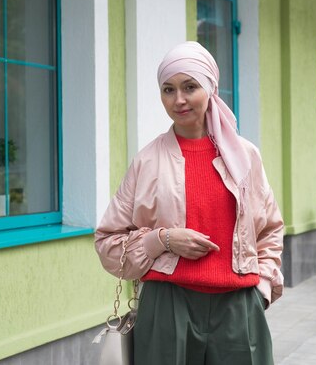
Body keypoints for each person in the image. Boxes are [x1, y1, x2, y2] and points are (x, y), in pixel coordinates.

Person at [95, 41, 284, 365]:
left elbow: (269, 229)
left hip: (239, 308)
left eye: (189, 87)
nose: (178, 99)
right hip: (167, 307)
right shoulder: (147, 161)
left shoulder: (245, 156)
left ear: (210, 88)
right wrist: (161, 240)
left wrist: (262, 289)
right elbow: (107, 242)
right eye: (168, 89)